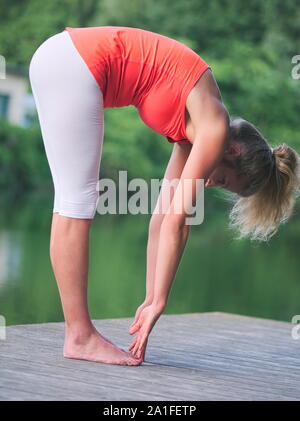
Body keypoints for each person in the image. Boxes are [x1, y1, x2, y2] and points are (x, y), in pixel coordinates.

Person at [29, 26, 300, 366]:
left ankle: (79, 335)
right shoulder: (214, 127)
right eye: (223, 180)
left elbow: (162, 218)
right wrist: (161, 301)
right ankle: (80, 336)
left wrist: (148, 297)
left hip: (61, 60)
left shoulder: (195, 126)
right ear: (231, 151)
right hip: (73, 63)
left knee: (74, 199)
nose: (209, 183)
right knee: (77, 200)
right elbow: (178, 223)